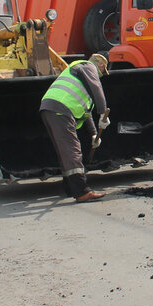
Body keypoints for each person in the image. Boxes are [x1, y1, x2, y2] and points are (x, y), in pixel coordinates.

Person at [39, 53, 111, 203]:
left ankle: (70, 188)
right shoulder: (87, 66)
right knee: (73, 150)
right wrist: (103, 113)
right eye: (103, 72)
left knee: (64, 151)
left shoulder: (80, 76)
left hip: (51, 108)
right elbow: (97, 89)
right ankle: (82, 191)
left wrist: (93, 134)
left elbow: (86, 112)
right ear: (101, 66)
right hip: (60, 108)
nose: (101, 76)